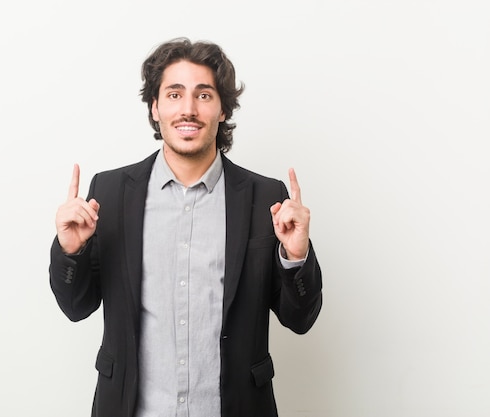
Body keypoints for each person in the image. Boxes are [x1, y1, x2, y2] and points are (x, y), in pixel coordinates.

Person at [49, 37, 323, 417]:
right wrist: (71, 251)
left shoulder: (267, 198)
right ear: (155, 107)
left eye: (204, 95)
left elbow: (301, 319)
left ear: (223, 109)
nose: (188, 110)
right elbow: (76, 307)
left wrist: (295, 257)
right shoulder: (109, 194)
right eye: (174, 95)